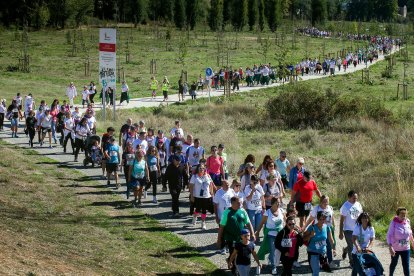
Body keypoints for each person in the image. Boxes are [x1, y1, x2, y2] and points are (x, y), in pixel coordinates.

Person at [217, 196, 255, 275]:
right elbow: (221, 227)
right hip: (231, 238)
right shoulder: (227, 212)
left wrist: (252, 233)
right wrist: (219, 239)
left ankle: (231, 262)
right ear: (232, 203)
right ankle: (234, 271)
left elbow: (248, 222)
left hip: (241, 238)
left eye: (240, 202)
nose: (240, 204)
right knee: (233, 253)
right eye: (238, 202)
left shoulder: (242, 211)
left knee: (239, 254)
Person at [303, 195, 336, 267]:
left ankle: (330, 261)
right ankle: (315, 259)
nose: (325, 203)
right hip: (318, 229)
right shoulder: (316, 208)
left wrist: (334, 225)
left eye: (327, 201)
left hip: (328, 228)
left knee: (329, 244)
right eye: (324, 201)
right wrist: (304, 227)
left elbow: (332, 217)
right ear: (320, 202)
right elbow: (310, 219)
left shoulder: (330, 208)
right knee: (317, 244)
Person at [256, 198, 285, 275]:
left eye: (279, 203)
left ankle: (273, 261)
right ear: (272, 204)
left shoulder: (281, 211)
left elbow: (285, 221)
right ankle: (273, 267)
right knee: (272, 251)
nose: (278, 204)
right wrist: (257, 232)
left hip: (280, 235)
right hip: (271, 235)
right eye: (276, 203)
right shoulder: (267, 213)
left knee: (279, 250)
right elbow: (262, 223)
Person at [303, 211, 335, 276]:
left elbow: (331, 240)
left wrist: (334, 249)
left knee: (322, 270)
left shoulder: (327, 227)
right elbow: (303, 238)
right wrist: (310, 235)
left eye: (324, 219)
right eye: (320, 219)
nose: (322, 221)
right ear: (317, 219)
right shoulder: (311, 227)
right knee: (316, 271)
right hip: (313, 252)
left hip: (323, 253)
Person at [387, 207, 414, 276]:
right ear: (398, 214)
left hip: (406, 248)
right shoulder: (394, 222)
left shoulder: (407, 221)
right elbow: (389, 235)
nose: (403, 216)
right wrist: (390, 247)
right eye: (401, 214)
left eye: (404, 214)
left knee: (406, 265)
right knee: (394, 263)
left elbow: (410, 233)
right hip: (395, 248)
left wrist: (413, 242)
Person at [339, 190, 363, 266]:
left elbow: (361, 216)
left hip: (357, 229)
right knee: (351, 246)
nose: (355, 199)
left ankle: (345, 250)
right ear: (349, 197)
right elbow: (341, 220)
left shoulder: (358, 204)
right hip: (348, 229)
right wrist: (340, 232)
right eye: (354, 198)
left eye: (356, 198)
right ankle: (351, 262)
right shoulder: (345, 206)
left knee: (355, 245)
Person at [189, 164, 214, 230]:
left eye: (203, 168)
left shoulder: (207, 176)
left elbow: (211, 184)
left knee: (204, 210)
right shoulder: (194, 176)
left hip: (206, 196)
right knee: (197, 209)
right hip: (197, 196)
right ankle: (195, 216)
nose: (201, 169)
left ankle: (203, 222)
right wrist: (191, 195)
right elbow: (191, 186)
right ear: (197, 169)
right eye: (200, 168)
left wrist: (211, 192)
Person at [214, 179, 236, 254]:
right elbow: (215, 205)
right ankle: (223, 247)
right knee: (222, 231)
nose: (227, 185)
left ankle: (228, 247)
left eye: (228, 184)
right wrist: (216, 216)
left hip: (231, 215)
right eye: (226, 184)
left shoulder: (232, 191)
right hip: (222, 216)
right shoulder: (218, 193)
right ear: (222, 185)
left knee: (230, 232)